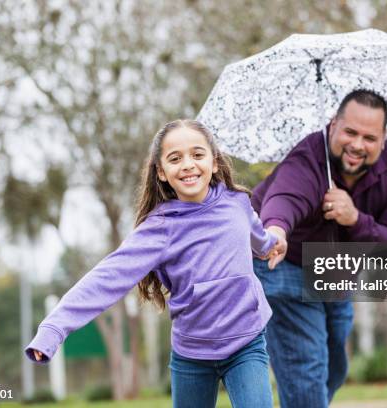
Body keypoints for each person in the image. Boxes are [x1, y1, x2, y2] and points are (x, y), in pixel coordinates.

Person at [25, 119, 287, 408]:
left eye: (197, 155)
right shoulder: (160, 229)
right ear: (161, 172)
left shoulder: (237, 203)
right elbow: (108, 277)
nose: (188, 164)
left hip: (246, 341)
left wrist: (271, 244)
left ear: (214, 162)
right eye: (175, 159)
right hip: (192, 353)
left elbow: (259, 238)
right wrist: (54, 328)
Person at [251, 89, 387, 408]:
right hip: (282, 263)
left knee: (335, 367)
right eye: (350, 132)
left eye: (369, 137)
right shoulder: (308, 157)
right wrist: (275, 230)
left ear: (383, 140)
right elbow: (286, 198)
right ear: (332, 126)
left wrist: (355, 219)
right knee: (307, 365)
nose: (357, 145)